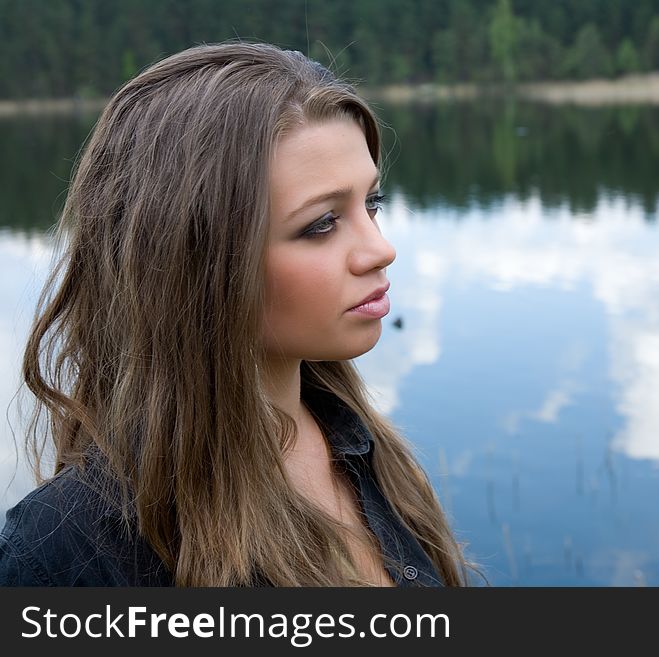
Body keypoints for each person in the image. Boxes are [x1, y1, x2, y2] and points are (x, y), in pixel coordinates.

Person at [0, 42, 473, 586]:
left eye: (372, 204)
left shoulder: (370, 454)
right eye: (321, 223)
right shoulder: (70, 554)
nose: (381, 249)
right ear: (194, 260)